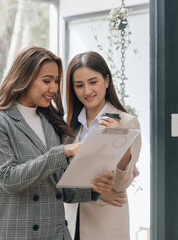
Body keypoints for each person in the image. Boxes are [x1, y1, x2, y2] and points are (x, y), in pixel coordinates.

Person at [0, 46, 115, 240]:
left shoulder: (51, 122)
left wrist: (94, 188)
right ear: (24, 78)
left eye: (57, 81)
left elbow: (61, 189)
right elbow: (10, 180)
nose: (54, 88)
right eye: (47, 81)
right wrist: (62, 153)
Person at [64, 51, 142, 240]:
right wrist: (95, 192)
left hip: (106, 223)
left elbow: (121, 184)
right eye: (79, 85)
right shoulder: (67, 124)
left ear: (106, 81)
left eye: (93, 82)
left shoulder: (127, 123)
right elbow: (62, 175)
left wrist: (119, 138)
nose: (87, 91)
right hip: (71, 220)